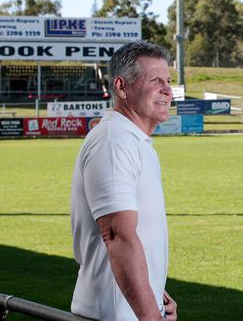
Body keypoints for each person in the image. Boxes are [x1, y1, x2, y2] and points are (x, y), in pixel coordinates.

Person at [70, 41, 177, 320]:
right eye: (156, 81)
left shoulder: (133, 140)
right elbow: (117, 235)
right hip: (114, 314)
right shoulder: (113, 142)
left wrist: (157, 301)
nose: (167, 89)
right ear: (121, 87)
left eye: (168, 80)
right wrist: (151, 317)